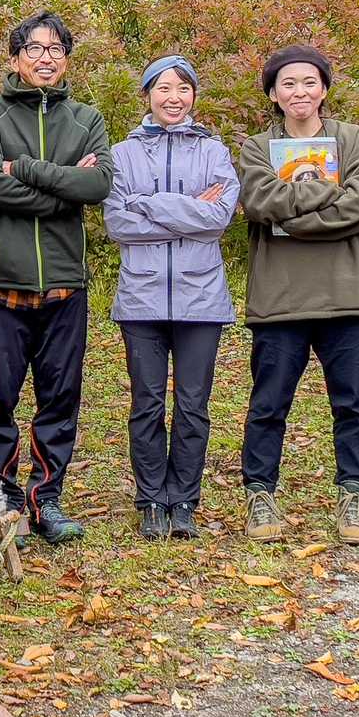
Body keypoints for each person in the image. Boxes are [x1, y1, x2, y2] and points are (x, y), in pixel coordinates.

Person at [0, 11, 113, 544]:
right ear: (15, 59)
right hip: (1, 284)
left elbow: (97, 187)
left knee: (60, 399)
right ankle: (3, 500)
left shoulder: (86, 118)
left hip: (64, 284)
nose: (45, 58)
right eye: (34, 48)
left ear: (66, 59)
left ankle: (45, 499)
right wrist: (64, 188)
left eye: (55, 49)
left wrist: (24, 168)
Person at [237, 44, 359, 545]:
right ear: (273, 94)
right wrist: (328, 189)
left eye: (309, 82)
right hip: (279, 299)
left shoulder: (354, 139)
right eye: (288, 84)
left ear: (324, 88)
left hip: (348, 294)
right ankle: (260, 493)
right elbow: (259, 202)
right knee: (268, 404)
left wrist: (293, 216)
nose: (299, 91)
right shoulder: (258, 148)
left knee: (353, 403)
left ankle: (354, 494)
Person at [105, 55, 239, 541]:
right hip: (140, 298)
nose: (174, 97)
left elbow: (218, 218)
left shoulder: (214, 152)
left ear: (194, 95)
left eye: (183, 88)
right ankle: (150, 500)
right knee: (146, 402)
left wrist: (147, 204)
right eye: (163, 88)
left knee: (192, 404)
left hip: (201, 297)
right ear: (147, 95)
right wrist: (186, 210)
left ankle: (183, 499)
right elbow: (117, 222)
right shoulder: (122, 154)